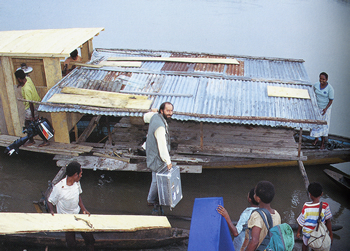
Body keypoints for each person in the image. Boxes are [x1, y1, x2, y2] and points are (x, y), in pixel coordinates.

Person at [48, 161, 95, 251]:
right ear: (75, 174)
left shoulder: (77, 183)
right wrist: (51, 212)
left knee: (90, 240)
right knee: (72, 244)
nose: (81, 175)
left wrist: (83, 209)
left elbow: (78, 196)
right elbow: (50, 201)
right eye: (80, 173)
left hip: (77, 214)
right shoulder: (59, 188)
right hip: (66, 218)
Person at [143, 102, 174, 215]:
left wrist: (153, 111)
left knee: (155, 178)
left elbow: (145, 117)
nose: (170, 113)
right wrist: (168, 161)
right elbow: (162, 145)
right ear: (162, 111)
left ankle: (153, 199)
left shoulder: (155, 116)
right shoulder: (160, 126)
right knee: (156, 180)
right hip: (156, 155)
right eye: (167, 111)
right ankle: (151, 200)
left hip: (152, 152)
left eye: (171, 111)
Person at [242, 181, 281, 251]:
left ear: (258, 199)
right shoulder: (277, 214)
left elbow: (254, 241)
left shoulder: (257, 215)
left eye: (255, 193)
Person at [14, 69, 49, 147]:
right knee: (35, 124)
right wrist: (20, 85)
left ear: (19, 79)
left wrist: (32, 116)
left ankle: (33, 140)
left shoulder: (26, 89)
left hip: (31, 108)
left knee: (30, 124)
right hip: (36, 103)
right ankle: (41, 140)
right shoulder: (28, 79)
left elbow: (30, 103)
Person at [296, 182, 333, 251]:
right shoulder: (325, 206)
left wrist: (298, 232)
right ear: (321, 194)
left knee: (305, 244)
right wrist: (331, 234)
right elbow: (328, 221)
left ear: (310, 194)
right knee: (316, 244)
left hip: (308, 234)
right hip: (319, 234)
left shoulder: (306, 206)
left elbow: (301, 222)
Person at [310, 72, 334, 150]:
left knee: (324, 126)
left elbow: (331, 100)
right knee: (316, 124)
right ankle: (316, 138)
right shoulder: (316, 85)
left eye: (323, 79)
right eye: (320, 78)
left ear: (326, 79)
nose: (321, 80)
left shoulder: (330, 88)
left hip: (325, 109)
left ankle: (322, 143)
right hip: (317, 107)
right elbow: (313, 93)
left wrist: (326, 109)